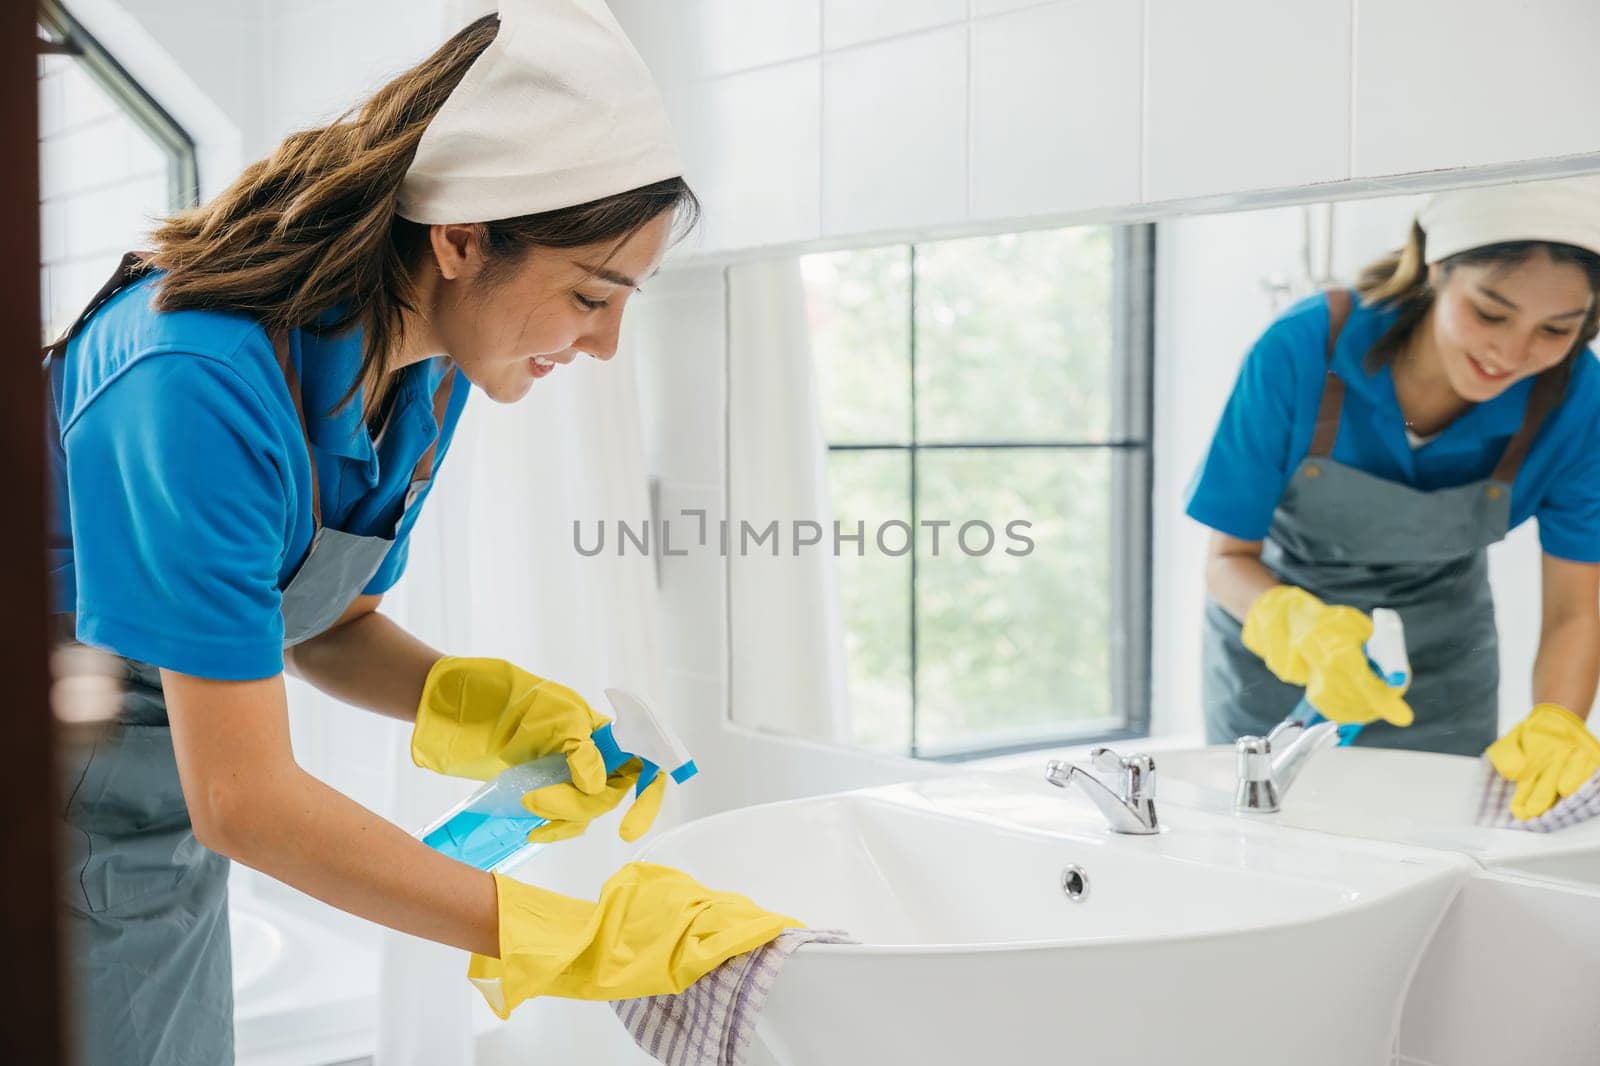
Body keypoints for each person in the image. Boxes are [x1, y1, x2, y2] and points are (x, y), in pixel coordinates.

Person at [49, 6, 794, 1065]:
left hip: (148, 828)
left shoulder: (423, 373)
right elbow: (244, 798)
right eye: (590, 294)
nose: (604, 343)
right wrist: (564, 936)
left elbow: (320, 618)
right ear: (458, 239)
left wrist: (482, 703)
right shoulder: (191, 383)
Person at [1188, 177, 1600, 816]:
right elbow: (1226, 560)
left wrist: (1558, 720)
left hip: (1445, 671)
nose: (1512, 354)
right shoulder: (1302, 349)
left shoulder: (1573, 397)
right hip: (1285, 668)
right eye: (1491, 312)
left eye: (1556, 329)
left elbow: (1577, 609)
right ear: (1437, 267)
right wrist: (1297, 629)